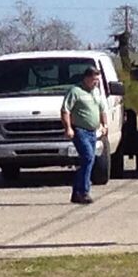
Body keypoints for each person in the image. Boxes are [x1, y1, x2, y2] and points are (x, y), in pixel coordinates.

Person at [61, 65, 107, 205]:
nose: (96, 83)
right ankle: (84, 191)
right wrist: (68, 128)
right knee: (88, 157)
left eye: (97, 80)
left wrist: (104, 125)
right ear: (86, 78)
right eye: (94, 80)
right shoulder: (75, 91)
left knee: (89, 160)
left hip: (93, 132)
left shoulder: (97, 92)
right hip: (80, 130)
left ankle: (76, 193)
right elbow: (65, 110)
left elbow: (102, 109)